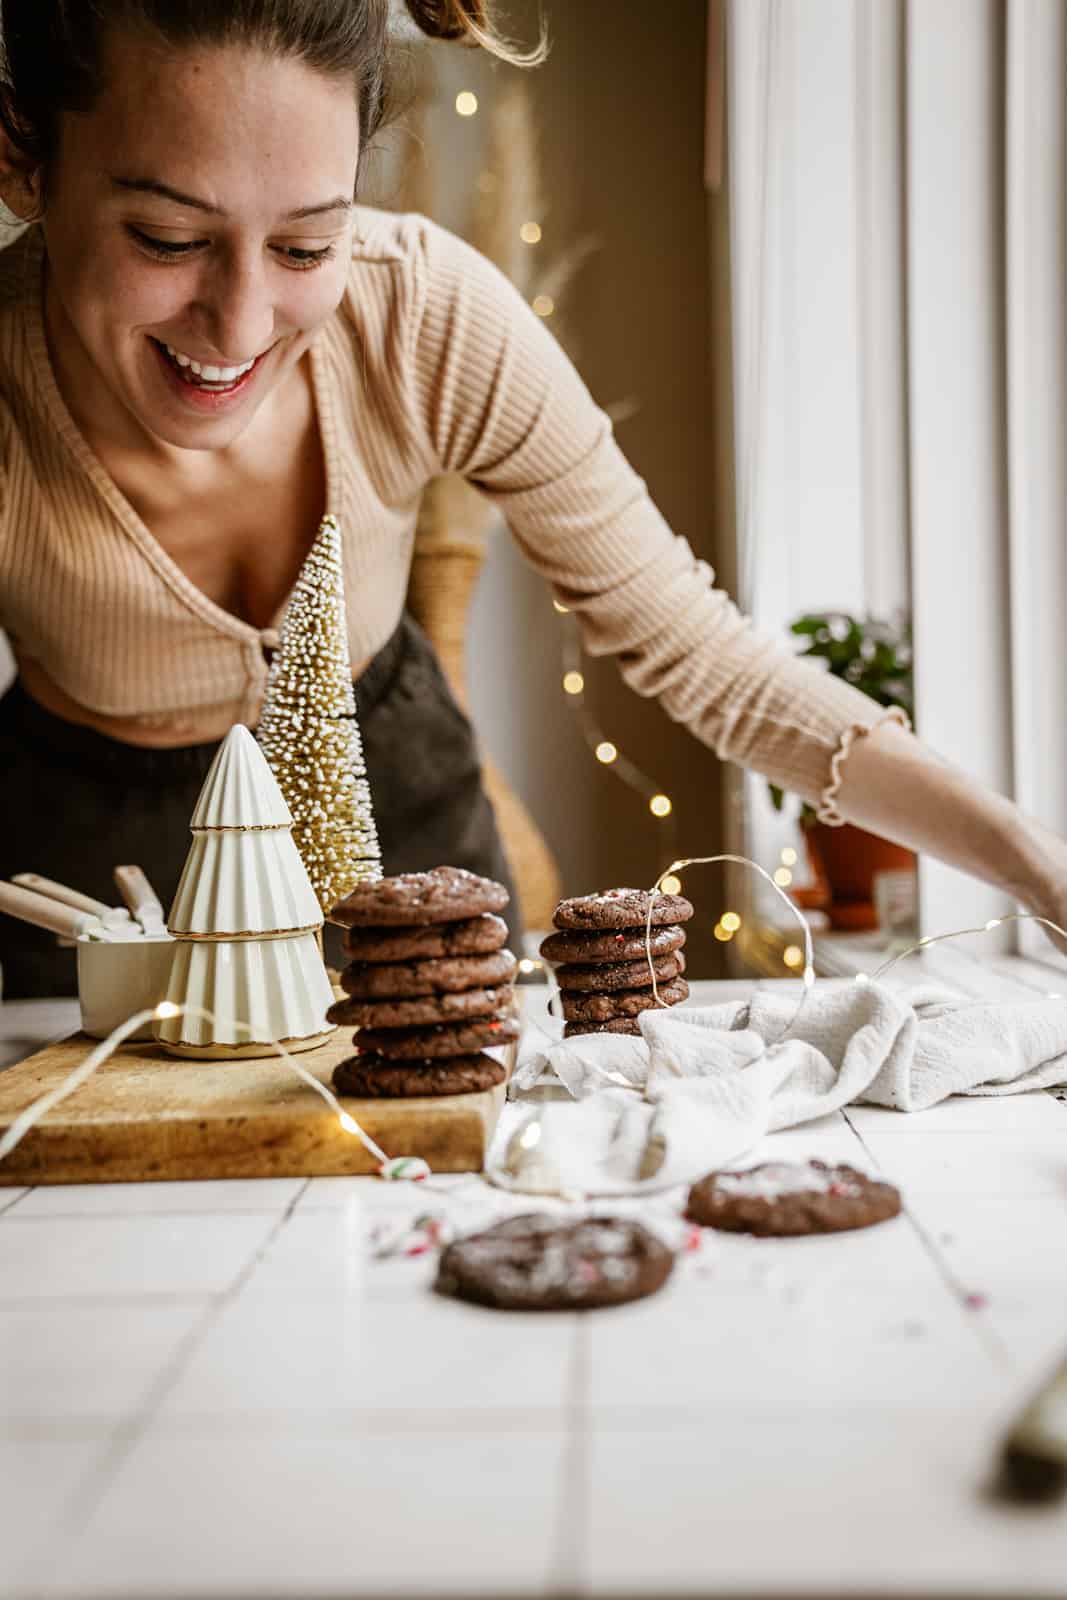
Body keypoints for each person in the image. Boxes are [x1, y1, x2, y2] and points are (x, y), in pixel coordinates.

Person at [0, 0, 1063, 1000]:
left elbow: (700, 652)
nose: (238, 326)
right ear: (23, 158)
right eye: (168, 239)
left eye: (304, 247)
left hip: (405, 822)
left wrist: (1035, 867)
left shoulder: (423, 318)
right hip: (88, 873)